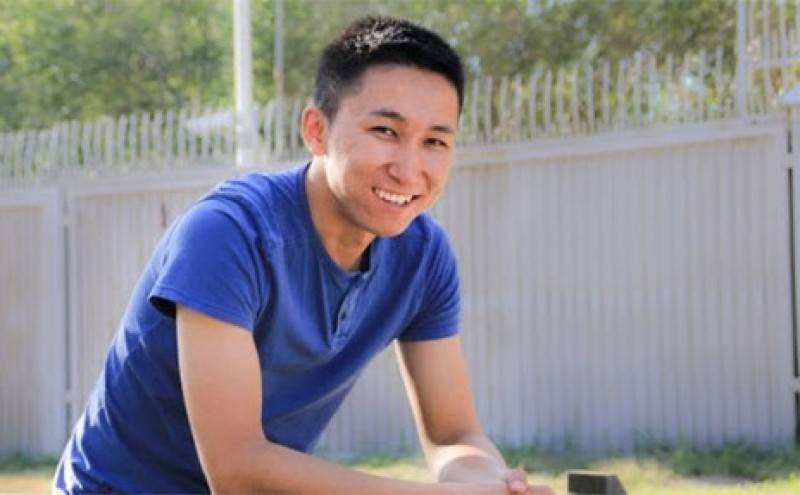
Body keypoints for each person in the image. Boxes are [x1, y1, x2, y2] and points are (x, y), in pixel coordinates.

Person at [54, 16, 553, 495]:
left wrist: (492, 481)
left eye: (435, 141)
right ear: (316, 130)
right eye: (385, 132)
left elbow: (454, 435)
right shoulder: (228, 234)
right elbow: (237, 473)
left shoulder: (422, 255)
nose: (409, 169)